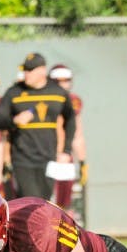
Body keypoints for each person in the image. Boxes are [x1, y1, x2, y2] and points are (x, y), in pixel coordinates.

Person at [0, 53, 75, 200]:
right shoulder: (14, 92)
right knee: (31, 200)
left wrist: (66, 150)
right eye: (25, 70)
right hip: (22, 159)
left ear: (42, 70)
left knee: (45, 202)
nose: (26, 74)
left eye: (30, 70)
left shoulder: (58, 92)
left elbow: (71, 119)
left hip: (49, 158)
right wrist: (14, 121)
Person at [48, 64, 87, 219]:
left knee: (63, 206)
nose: (62, 84)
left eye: (66, 80)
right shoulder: (45, 99)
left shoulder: (73, 101)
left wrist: (82, 161)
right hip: (45, 155)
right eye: (58, 80)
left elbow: (77, 133)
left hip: (65, 156)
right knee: (44, 203)